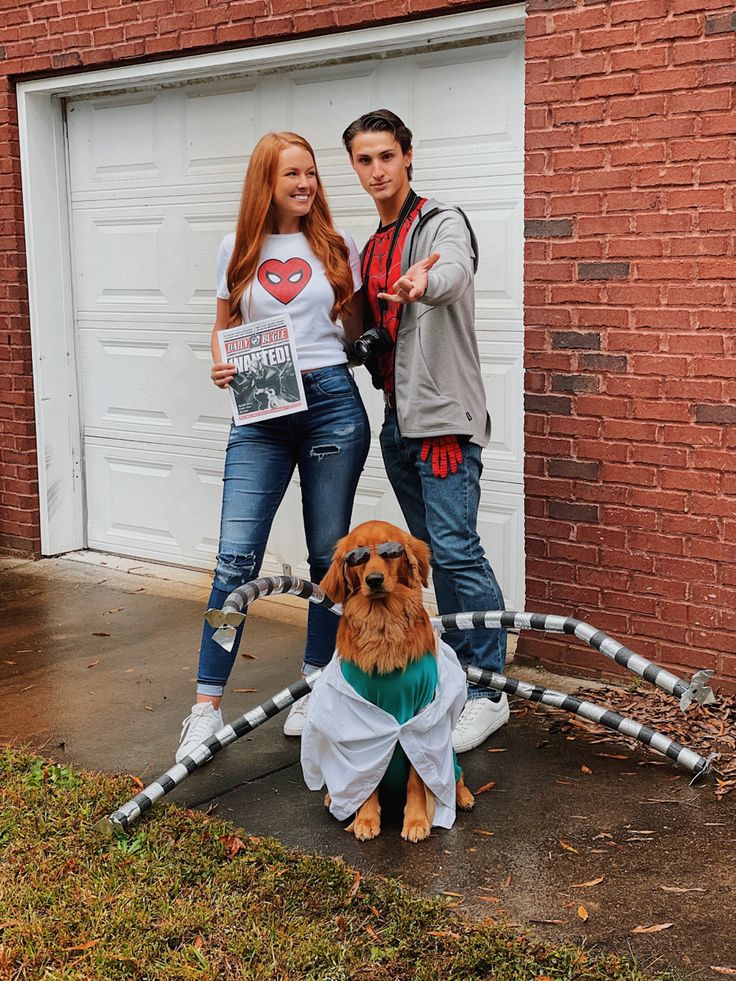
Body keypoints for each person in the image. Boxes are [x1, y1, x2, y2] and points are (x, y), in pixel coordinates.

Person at [176, 132, 370, 761]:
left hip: (332, 407)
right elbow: (223, 326)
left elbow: (355, 334)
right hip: (261, 410)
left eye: (311, 173)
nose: (306, 184)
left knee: (325, 557)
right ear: (267, 180)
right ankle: (205, 705)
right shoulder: (237, 249)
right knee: (235, 558)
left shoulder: (337, 247)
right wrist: (220, 363)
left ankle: (316, 685)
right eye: (292, 174)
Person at [341, 109, 509, 754]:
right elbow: (374, 330)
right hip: (398, 419)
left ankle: (490, 687)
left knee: (456, 546)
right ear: (355, 167)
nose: (377, 169)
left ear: (408, 156)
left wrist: (424, 282)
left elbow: (453, 273)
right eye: (365, 160)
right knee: (430, 553)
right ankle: (463, 671)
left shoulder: (438, 222)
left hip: (440, 420)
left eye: (387, 156)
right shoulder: (374, 243)